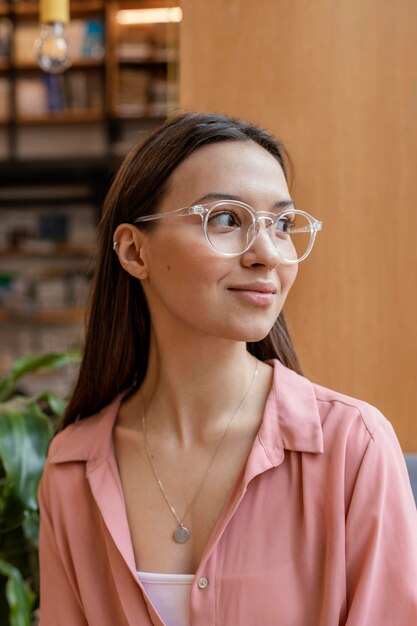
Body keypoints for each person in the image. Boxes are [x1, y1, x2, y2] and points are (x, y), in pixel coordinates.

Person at [38, 112, 417, 626]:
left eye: (281, 225)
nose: (266, 254)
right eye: (225, 219)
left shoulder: (355, 446)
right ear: (134, 250)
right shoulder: (71, 468)